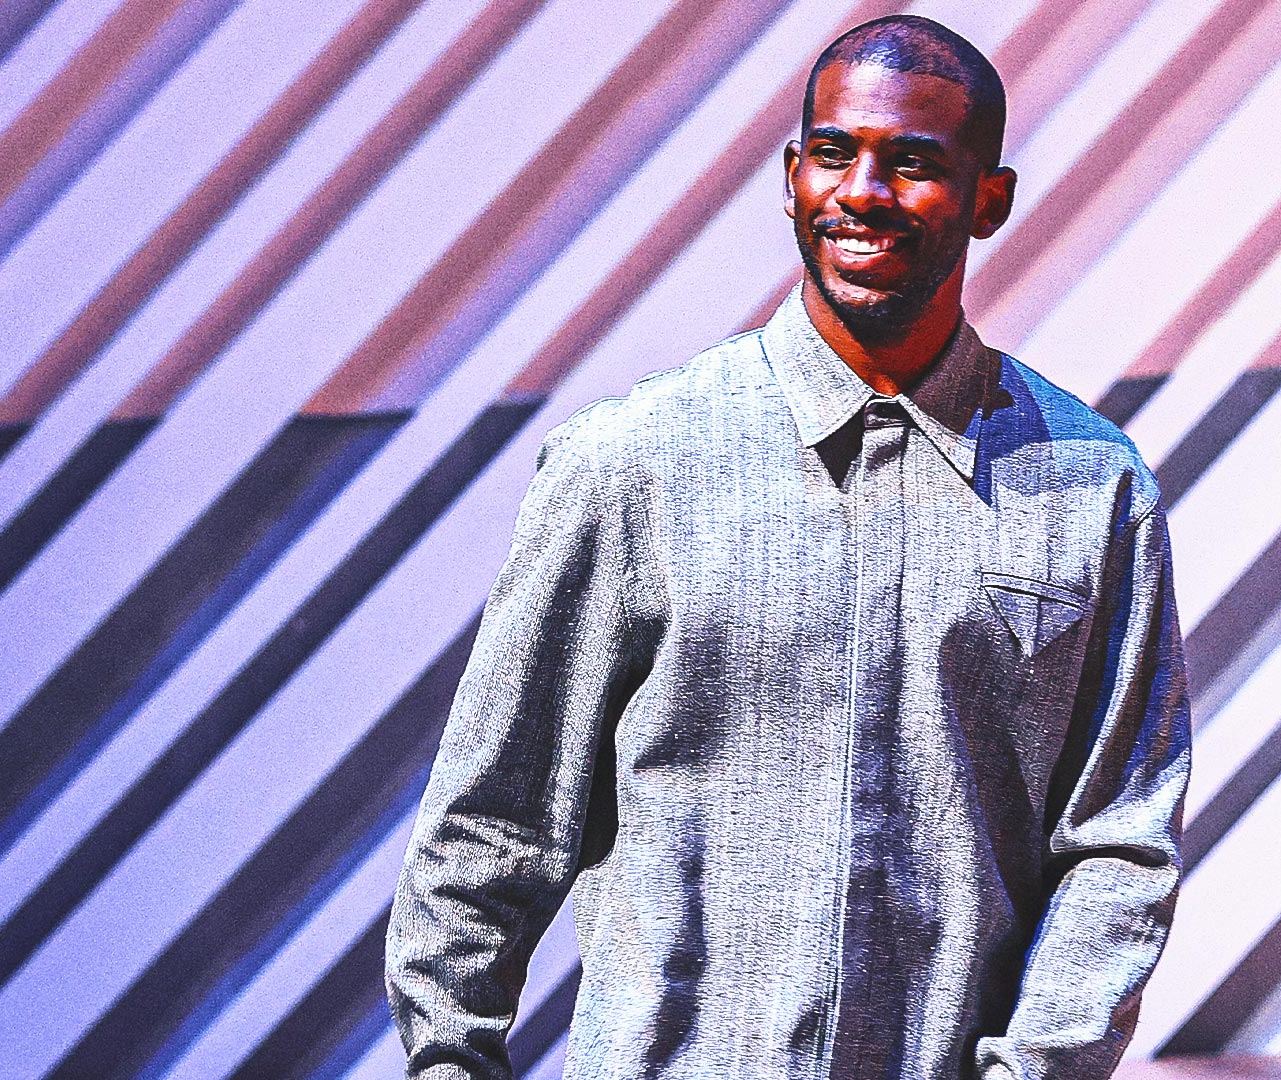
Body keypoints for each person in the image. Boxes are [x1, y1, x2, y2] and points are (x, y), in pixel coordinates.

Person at [385, 15, 1191, 1080]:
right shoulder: (634, 462)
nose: (864, 191)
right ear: (790, 177)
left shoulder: (1092, 488)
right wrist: (449, 1060)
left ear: (989, 202)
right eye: (834, 153)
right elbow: (495, 818)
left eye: (913, 164)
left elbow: (1118, 845)